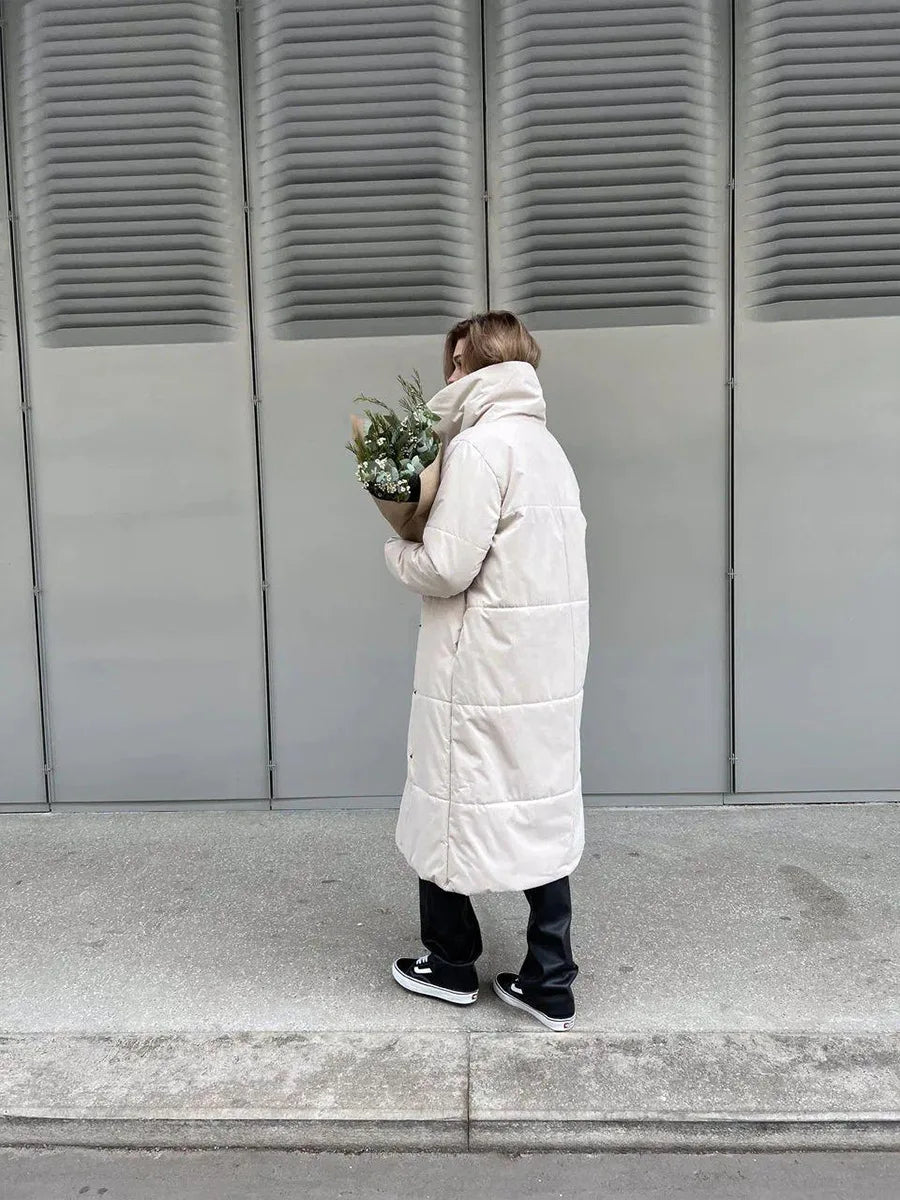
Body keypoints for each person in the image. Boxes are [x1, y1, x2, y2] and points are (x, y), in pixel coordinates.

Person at [383, 311, 589, 1032]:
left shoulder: (478, 449)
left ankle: (448, 963)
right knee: (538, 801)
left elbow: (445, 567)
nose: (447, 376)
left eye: (452, 362)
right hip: (542, 665)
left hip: (481, 664)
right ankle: (551, 977)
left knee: (447, 795)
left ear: (469, 366)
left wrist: (396, 553)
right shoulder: (545, 447)